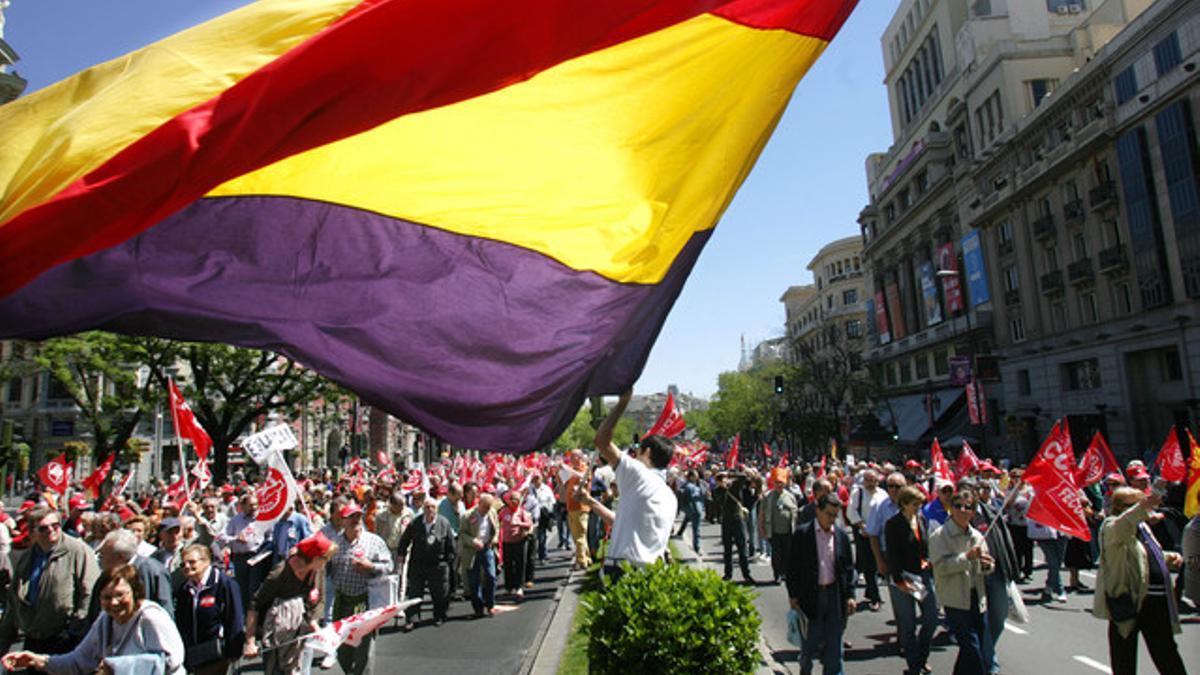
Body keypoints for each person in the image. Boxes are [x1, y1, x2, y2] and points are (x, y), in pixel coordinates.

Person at [3, 564, 185, 675]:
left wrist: (115, 667)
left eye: (120, 595)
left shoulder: (150, 617)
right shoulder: (105, 621)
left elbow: (172, 661)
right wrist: (36, 660)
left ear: (135, 592)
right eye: (106, 597)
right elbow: (78, 662)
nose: (114, 603)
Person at [1096, 486, 1188, 675]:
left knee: (1167, 654)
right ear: (1123, 507)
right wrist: (1143, 506)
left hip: (1157, 602)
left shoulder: (1143, 527)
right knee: (1124, 657)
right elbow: (1122, 526)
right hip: (1130, 600)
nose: (1145, 509)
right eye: (1137, 504)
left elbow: (1143, 556)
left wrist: (1168, 557)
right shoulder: (1112, 526)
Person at [592, 389, 677, 586]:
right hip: (653, 572)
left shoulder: (638, 473)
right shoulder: (668, 494)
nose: (633, 455)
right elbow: (624, 521)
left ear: (646, 452)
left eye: (637, 451)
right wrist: (591, 503)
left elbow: (602, 441)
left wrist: (623, 402)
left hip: (624, 570)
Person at [0, 506, 100, 658]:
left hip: (65, 638)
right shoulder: (28, 557)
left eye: (55, 525)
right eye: (43, 528)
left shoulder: (77, 550)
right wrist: (4, 641)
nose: (51, 530)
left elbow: (90, 591)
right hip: (34, 636)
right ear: (33, 532)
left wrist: (76, 628)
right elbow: (14, 601)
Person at [244, 532, 334, 675]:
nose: (327, 561)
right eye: (325, 558)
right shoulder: (280, 573)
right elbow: (255, 603)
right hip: (277, 633)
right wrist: (250, 640)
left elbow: (320, 598)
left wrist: (313, 621)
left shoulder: (318, 569)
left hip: (303, 632)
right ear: (315, 557)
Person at [785, 493, 856, 675]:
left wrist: (850, 595)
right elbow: (792, 568)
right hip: (810, 597)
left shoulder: (841, 536)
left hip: (834, 596)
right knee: (809, 645)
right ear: (818, 511)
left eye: (835, 515)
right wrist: (793, 596)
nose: (832, 519)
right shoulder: (802, 534)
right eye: (828, 514)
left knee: (835, 647)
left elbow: (848, 569)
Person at [929, 488, 994, 675]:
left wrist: (987, 564)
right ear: (951, 508)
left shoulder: (977, 536)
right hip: (955, 598)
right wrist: (966, 557)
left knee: (974, 647)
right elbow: (940, 567)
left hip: (977, 596)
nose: (962, 510)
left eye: (968, 507)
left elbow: (985, 568)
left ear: (973, 512)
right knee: (971, 647)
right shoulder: (940, 535)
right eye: (958, 506)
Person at [327, 503, 392, 675]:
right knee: (343, 650)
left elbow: (389, 566)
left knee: (364, 648)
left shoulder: (374, 541)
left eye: (358, 515)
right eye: (351, 516)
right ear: (343, 520)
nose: (356, 520)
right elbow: (327, 569)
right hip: (342, 602)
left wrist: (371, 566)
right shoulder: (335, 544)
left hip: (365, 601)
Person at [885, 486, 939, 675]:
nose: (918, 508)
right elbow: (892, 554)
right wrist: (899, 579)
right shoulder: (893, 524)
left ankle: (922, 656)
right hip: (903, 577)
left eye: (920, 504)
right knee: (907, 624)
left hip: (922, 575)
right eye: (915, 504)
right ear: (904, 504)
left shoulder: (921, 519)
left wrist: (928, 561)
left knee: (931, 618)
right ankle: (914, 665)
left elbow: (925, 546)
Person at [175, 544, 245, 675]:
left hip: (218, 652)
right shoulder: (185, 589)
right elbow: (182, 622)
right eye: (183, 564)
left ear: (206, 561)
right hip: (196, 653)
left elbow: (235, 618)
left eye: (192, 562)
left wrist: (234, 651)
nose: (187, 567)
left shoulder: (224, 584)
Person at [395, 498, 455, 630]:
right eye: (427, 507)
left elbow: (451, 544)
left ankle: (439, 616)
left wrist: (448, 561)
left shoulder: (444, 523)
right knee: (415, 592)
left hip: (438, 564)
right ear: (423, 509)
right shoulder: (416, 523)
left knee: (440, 593)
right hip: (418, 563)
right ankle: (412, 619)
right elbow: (405, 539)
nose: (430, 510)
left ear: (437, 509)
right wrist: (401, 554)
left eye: (432, 507)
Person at [92, 529, 175, 622]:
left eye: (102, 555)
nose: (100, 559)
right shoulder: (107, 576)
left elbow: (165, 609)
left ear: (120, 557)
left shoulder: (151, 570)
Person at [216, 494, 270, 613]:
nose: (254, 507)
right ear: (243, 506)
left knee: (255, 588)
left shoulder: (262, 519)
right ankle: (244, 615)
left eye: (256, 504)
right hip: (240, 558)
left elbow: (269, 537)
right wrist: (235, 539)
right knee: (242, 588)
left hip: (257, 557)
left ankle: (255, 615)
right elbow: (221, 537)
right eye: (251, 505)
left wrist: (264, 549)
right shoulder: (235, 520)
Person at [847, 469, 886, 611]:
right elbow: (851, 511)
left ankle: (870, 592)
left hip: (879, 534)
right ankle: (876, 598)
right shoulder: (858, 493)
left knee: (874, 565)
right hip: (864, 534)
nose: (870, 483)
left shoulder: (883, 494)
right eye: (867, 480)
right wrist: (861, 525)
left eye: (873, 480)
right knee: (870, 566)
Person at [460, 493, 500, 617]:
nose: (486, 510)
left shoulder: (492, 513)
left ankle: (490, 604)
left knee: (491, 576)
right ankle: (478, 607)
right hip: (472, 551)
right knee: (474, 580)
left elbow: (497, 528)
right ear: (479, 504)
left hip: (487, 548)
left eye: (488, 508)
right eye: (484, 507)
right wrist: (473, 541)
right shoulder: (467, 515)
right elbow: (462, 534)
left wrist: (494, 540)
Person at [714, 472, 754, 584]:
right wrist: (724, 488)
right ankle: (728, 574)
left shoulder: (735, 485)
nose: (723, 481)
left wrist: (729, 474)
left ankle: (746, 574)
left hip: (738, 519)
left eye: (724, 479)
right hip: (726, 521)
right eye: (720, 480)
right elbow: (721, 501)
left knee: (742, 548)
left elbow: (744, 477)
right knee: (727, 549)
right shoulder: (718, 491)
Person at [761, 468, 798, 584]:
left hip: (788, 531)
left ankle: (785, 573)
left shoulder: (790, 496)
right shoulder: (768, 496)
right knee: (776, 554)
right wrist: (761, 529)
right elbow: (761, 514)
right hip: (773, 531)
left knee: (787, 554)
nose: (779, 485)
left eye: (781, 483)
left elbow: (795, 513)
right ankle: (777, 574)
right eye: (777, 483)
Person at [498, 490, 534, 598]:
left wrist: (519, 524)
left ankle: (519, 587)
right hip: (506, 542)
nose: (515, 502)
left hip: (519, 542)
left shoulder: (522, 512)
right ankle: (509, 587)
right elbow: (497, 522)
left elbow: (529, 524)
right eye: (513, 499)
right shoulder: (504, 512)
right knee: (508, 565)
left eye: (517, 500)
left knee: (519, 564)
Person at [676, 470, 707, 554]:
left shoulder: (687, 485)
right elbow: (700, 495)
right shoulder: (691, 487)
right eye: (695, 476)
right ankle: (697, 548)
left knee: (687, 519)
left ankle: (680, 532)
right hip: (695, 510)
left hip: (690, 510)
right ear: (691, 477)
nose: (697, 477)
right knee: (696, 530)